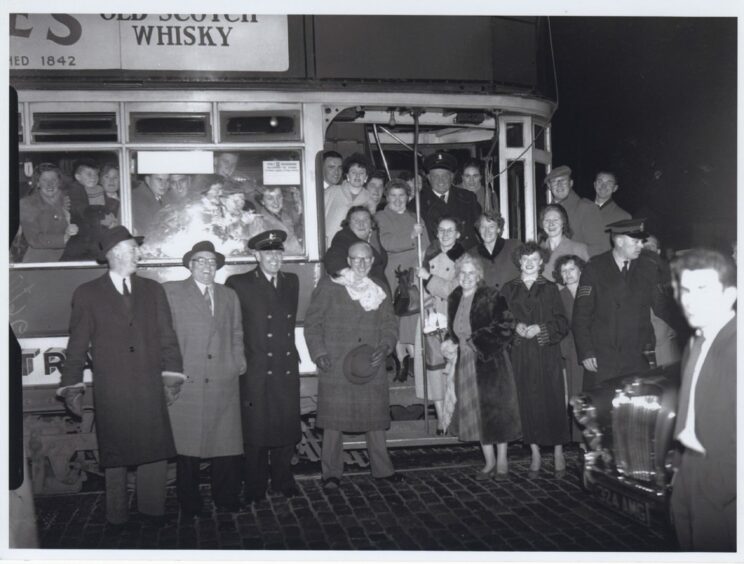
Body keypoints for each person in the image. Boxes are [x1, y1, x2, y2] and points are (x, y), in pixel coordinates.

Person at [57, 226, 182, 527]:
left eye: (137, 248)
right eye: (131, 249)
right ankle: (117, 515)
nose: (138, 254)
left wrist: (172, 375)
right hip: (112, 387)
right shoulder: (87, 293)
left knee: (154, 449)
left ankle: (153, 512)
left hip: (149, 382)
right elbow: (77, 344)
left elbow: (168, 337)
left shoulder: (153, 290)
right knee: (115, 453)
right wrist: (72, 386)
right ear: (113, 255)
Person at [304, 241, 402, 490]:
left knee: (375, 420)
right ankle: (331, 474)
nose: (361, 264)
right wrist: (319, 353)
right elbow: (313, 323)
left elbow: (390, 324)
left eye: (366, 259)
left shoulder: (379, 288)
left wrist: (386, 346)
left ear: (372, 261)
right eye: (356, 259)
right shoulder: (329, 285)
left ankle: (383, 471)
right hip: (336, 363)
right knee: (334, 422)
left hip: (369, 362)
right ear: (348, 260)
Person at [162, 241, 246, 518]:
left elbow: (236, 333)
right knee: (188, 448)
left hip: (224, 378)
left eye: (212, 262)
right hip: (190, 380)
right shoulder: (172, 293)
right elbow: (165, 337)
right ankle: (190, 502)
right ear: (189, 264)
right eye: (201, 261)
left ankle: (227, 498)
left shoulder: (228, 295)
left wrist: (237, 363)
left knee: (226, 445)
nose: (207, 266)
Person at [226, 230, 303, 504]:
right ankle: (255, 484)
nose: (274, 258)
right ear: (256, 255)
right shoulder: (239, 283)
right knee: (255, 430)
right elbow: (233, 328)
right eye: (268, 253)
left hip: (284, 365)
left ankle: (283, 480)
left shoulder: (291, 282)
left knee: (285, 425)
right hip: (256, 366)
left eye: (278, 253)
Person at [669, 248, 737, 551]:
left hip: (722, 485)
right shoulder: (696, 340)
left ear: (730, 295)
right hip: (689, 472)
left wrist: (719, 486)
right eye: (685, 290)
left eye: (702, 290)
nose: (690, 300)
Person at [572, 219, 677, 389]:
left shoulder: (648, 268)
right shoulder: (595, 268)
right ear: (619, 241)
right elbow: (581, 315)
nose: (640, 246)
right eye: (635, 242)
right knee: (602, 409)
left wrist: (688, 329)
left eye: (641, 241)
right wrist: (586, 352)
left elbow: (662, 307)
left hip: (637, 356)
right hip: (602, 357)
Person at [443, 254, 520, 479]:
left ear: (479, 275)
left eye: (471, 273)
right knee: (476, 414)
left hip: (490, 361)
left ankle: (503, 460)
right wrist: (450, 341)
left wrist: (478, 342)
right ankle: (489, 462)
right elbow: (454, 330)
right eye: (462, 273)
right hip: (465, 364)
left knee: (495, 411)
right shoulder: (454, 297)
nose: (466, 277)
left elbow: (506, 326)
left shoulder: (491, 296)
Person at [501, 241, 570, 478]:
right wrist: (515, 327)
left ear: (542, 262)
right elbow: (500, 320)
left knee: (552, 399)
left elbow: (562, 322)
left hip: (545, 352)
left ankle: (559, 450)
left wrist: (540, 328)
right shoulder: (509, 289)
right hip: (520, 353)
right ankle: (535, 453)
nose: (529, 263)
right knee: (525, 401)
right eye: (525, 259)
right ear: (519, 261)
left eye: (534, 259)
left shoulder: (550, 288)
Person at [375, 178, 429, 381]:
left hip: (415, 274)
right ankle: (400, 360)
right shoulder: (380, 217)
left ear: (409, 197)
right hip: (394, 274)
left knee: (413, 316)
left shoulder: (416, 218)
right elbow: (386, 242)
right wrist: (411, 236)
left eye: (402, 196)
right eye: (393, 196)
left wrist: (424, 267)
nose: (398, 200)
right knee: (397, 316)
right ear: (386, 197)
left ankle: (415, 359)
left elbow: (426, 246)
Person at [416, 216, 466, 433]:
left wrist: (428, 279)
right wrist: (421, 292)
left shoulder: (463, 259)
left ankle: (453, 415)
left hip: (452, 316)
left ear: (457, 234)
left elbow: (453, 289)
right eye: (442, 230)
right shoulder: (428, 254)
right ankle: (440, 417)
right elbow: (415, 283)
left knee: (452, 368)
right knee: (433, 367)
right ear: (437, 233)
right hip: (430, 315)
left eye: (450, 230)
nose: (445, 234)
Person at [552, 254, 587, 442]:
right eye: (564, 271)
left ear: (580, 270)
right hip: (572, 351)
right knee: (576, 394)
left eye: (571, 269)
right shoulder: (558, 297)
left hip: (594, 348)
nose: (568, 274)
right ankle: (581, 442)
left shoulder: (590, 291)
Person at [419, 151, 482, 250]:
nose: (441, 180)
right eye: (436, 176)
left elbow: (480, 229)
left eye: (445, 175)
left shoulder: (468, 198)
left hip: (467, 257)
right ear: (429, 178)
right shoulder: (418, 203)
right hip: (435, 259)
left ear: (452, 177)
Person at [19, 163, 78, 262]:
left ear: (59, 182)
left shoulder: (71, 199)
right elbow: (34, 239)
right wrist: (64, 238)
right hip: (39, 262)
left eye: (53, 180)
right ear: (37, 183)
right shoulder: (27, 204)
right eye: (44, 180)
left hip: (71, 259)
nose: (49, 184)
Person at [544, 165, 606, 257]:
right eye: (554, 182)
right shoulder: (547, 212)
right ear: (549, 186)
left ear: (571, 183)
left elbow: (597, 248)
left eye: (563, 181)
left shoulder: (586, 208)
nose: (559, 185)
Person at [324, 206, 388, 289]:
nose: (361, 224)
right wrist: (349, 275)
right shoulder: (344, 237)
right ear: (348, 224)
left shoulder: (374, 236)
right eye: (356, 221)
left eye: (365, 220)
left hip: (379, 289)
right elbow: (333, 258)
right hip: (361, 292)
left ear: (371, 223)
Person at [643, 235, 682, 366]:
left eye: (651, 246)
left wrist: (672, 325)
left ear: (658, 251)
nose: (647, 249)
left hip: (663, 330)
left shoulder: (667, 271)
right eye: (644, 246)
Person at [324, 153, 376, 245]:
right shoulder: (332, 191)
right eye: (353, 172)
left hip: (355, 249)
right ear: (347, 175)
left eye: (361, 173)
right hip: (330, 246)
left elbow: (369, 230)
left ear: (366, 177)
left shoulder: (370, 201)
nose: (357, 176)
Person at [538, 204, 590, 283]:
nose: (551, 224)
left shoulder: (579, 249)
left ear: (563, 223)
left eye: (555, 220)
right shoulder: (536, 251)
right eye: (547, 220)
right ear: (542, 224)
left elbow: (589, 279)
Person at [472, 211, 521, 290]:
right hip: (485, 301)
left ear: (498, 229)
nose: (487, 231)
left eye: (491, 226)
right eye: (483, 227)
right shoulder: (471, 255)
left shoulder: (515, 246)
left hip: (513, 301)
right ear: (479, 230)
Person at [67, 159, 120, 224]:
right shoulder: (76, 189)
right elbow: (81, 210)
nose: (93, 177)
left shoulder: (97, 190)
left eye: (96, 174)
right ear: (101, 179)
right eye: (107, 176)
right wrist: (103, 217)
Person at [254, 185, 303, 254]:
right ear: (262, 201)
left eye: (279, 197)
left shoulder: (286, 216)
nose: (276, 202)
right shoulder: (258, 222)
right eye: (270, 198)